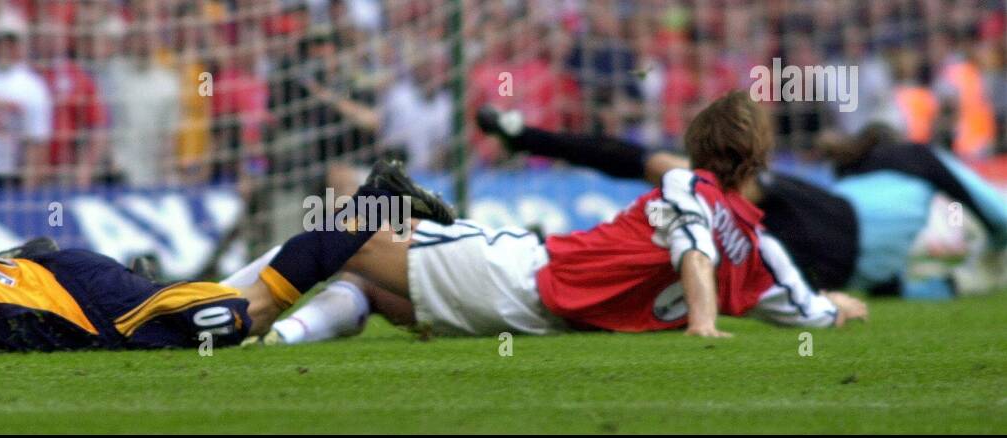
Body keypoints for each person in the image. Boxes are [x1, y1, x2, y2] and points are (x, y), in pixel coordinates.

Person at [244, 91, 869, 345]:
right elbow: (812, 311)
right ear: (758, 158)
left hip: (517, 275)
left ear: (698, 147)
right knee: (373, 291)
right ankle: (272, 334)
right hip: (537, 315)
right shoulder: (762, 251)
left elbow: (694, 247)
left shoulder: (687, 186)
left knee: (346, 233)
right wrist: (842, 306)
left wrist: (702, 323)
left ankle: (225, 312)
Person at [0, 161, 454, 361]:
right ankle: (365, 211)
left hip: (90, 310)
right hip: (67, 275)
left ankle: (370, 206)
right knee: (233, 299)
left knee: (243, 319)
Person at [476, 106, 1007, 299]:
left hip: (826, 243)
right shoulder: (915, 161)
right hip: (832, 247)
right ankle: (531, 159)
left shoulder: (887, 176)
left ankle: (528, 149)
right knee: (680, 195)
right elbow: (993, 207)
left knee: (671, 193)